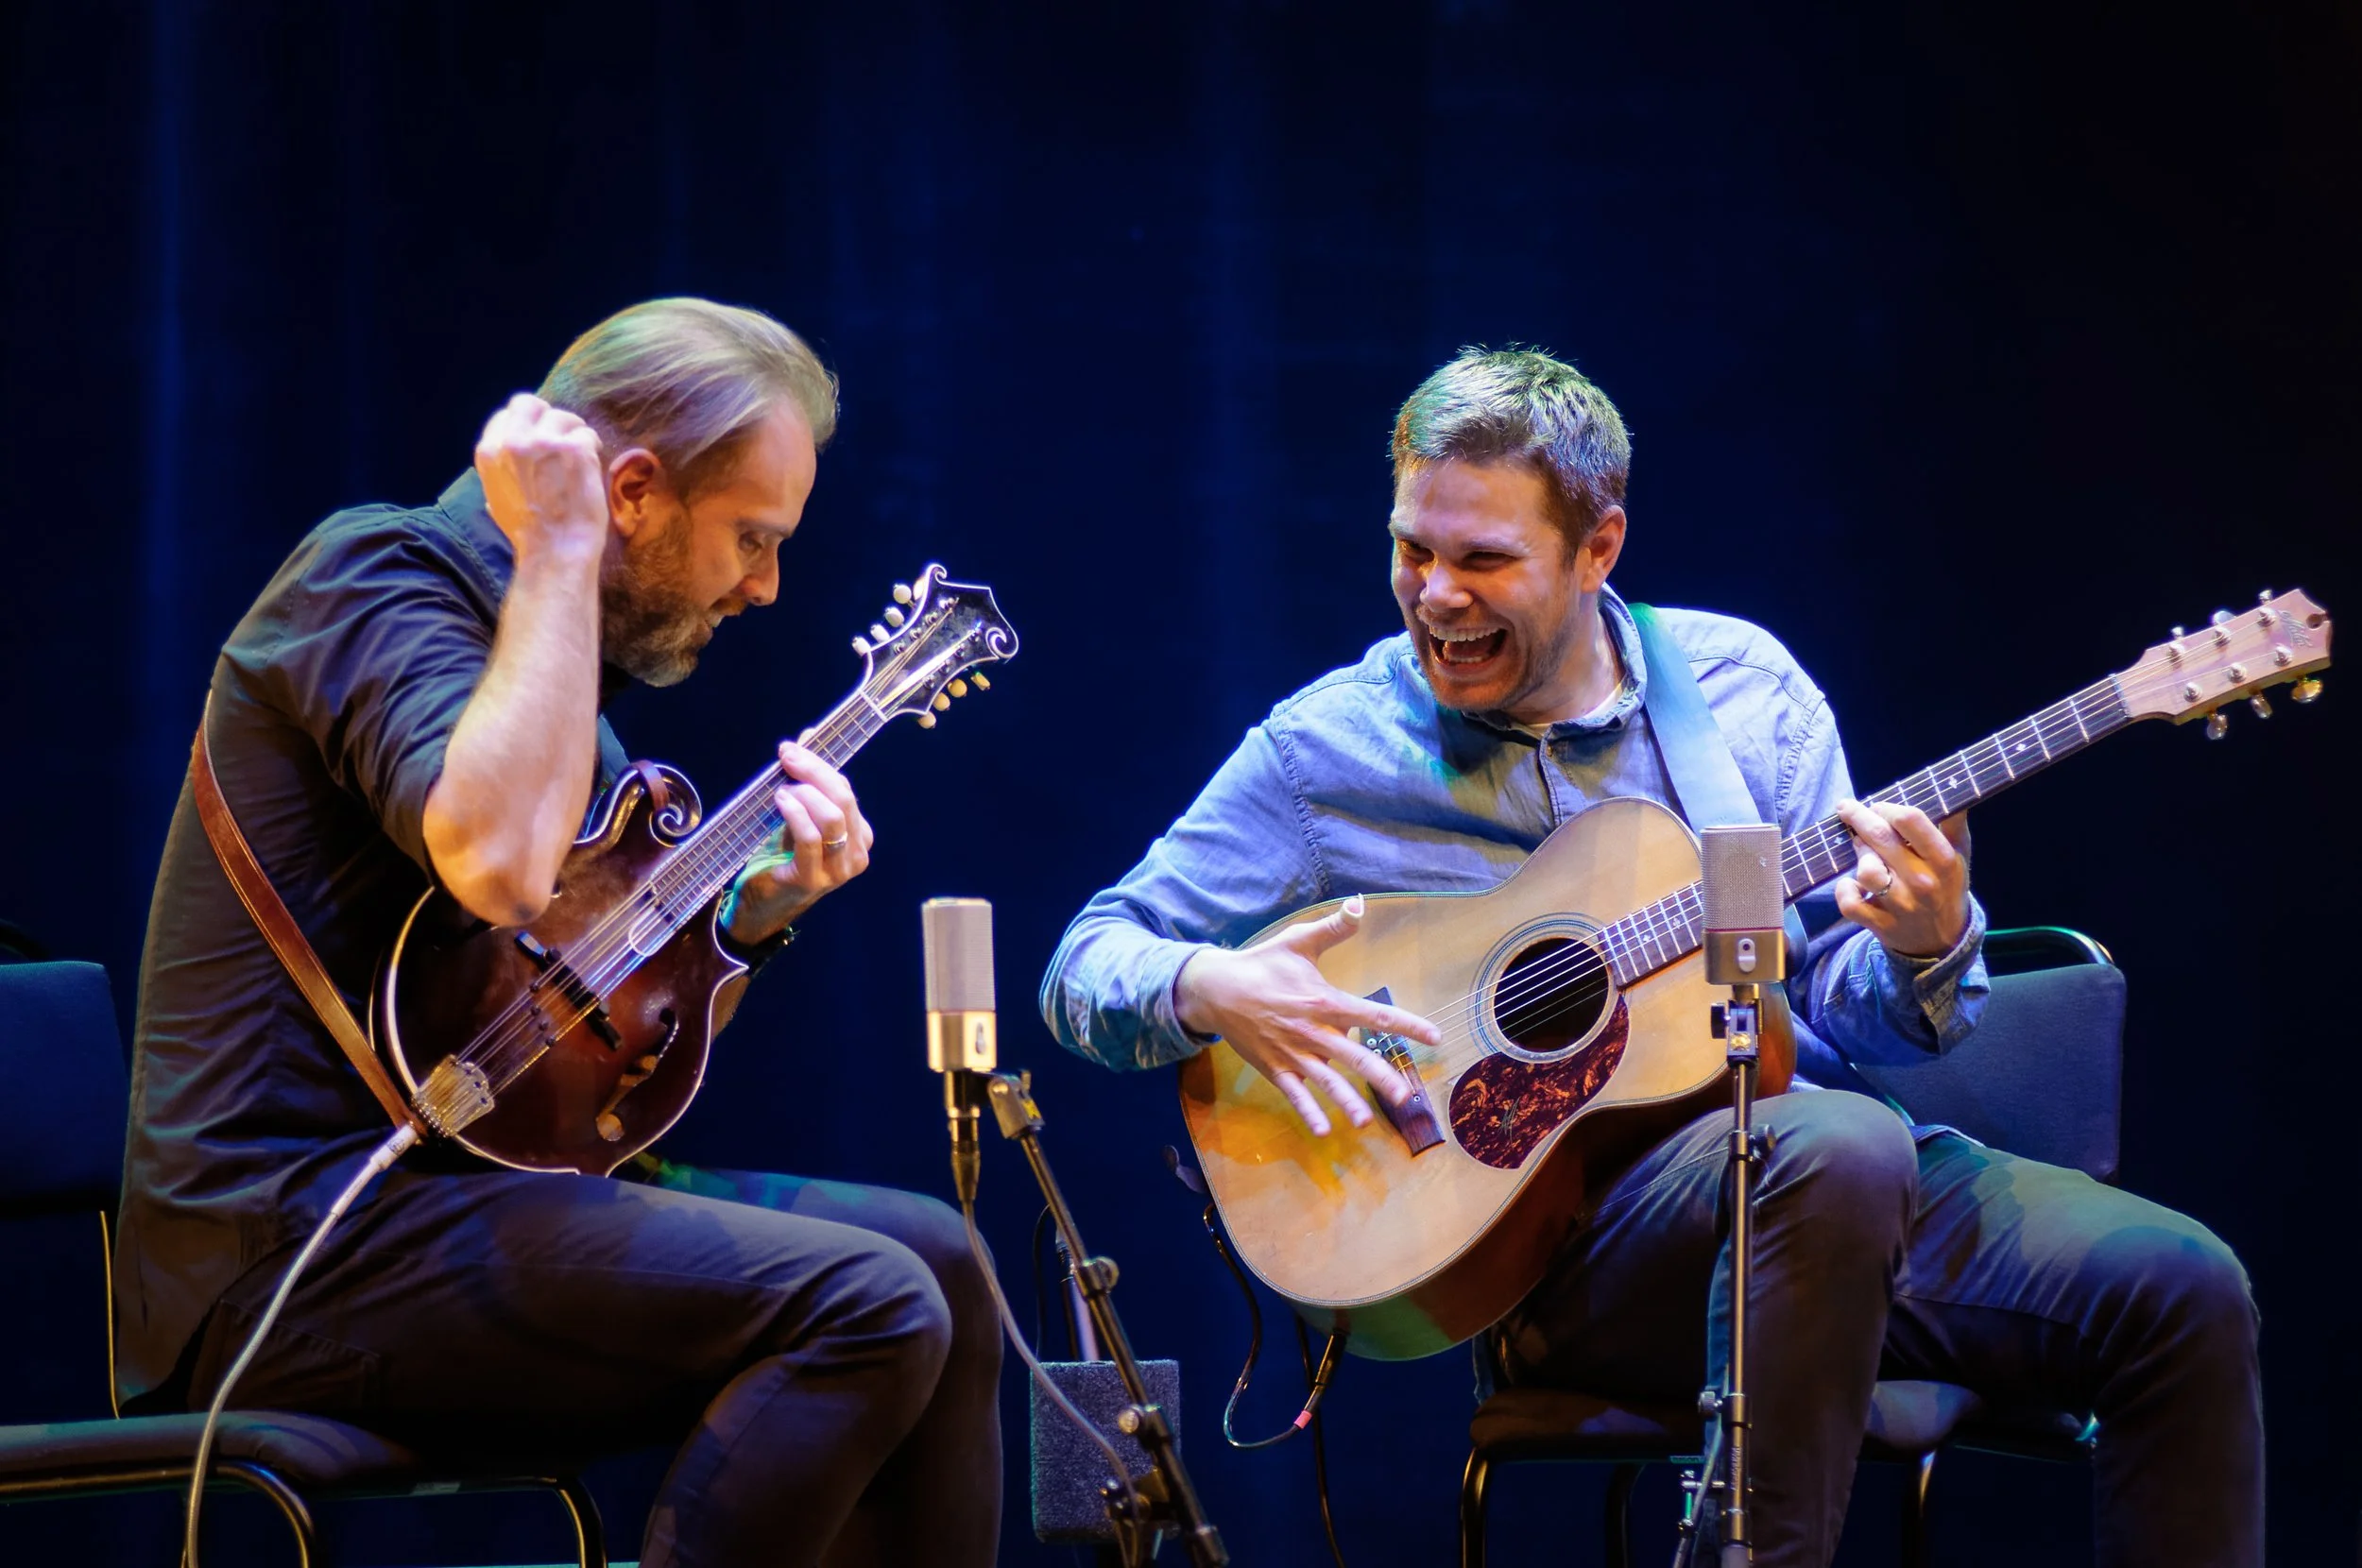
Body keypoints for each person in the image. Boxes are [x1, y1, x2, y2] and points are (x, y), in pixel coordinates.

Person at [1039, 348, 2261, 1567]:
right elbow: (1086, 963)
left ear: (1599, 549)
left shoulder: (1743, 696)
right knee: (1834, 1147)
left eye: (1484, 560)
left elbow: (1847, 1005)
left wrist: (1925, 945)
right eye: (1413, 549)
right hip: (1578, 1250)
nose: (1436, 595)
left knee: (2182, 1287)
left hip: (1833, 1191)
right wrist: (1209, 985)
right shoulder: (1326, 754)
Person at [118, 298, 1001, 1568]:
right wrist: (559, 553)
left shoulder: (558, 686)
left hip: (465, 1199)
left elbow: (587, 1056)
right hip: (288, 1250)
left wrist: (747, 925)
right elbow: (494, 866)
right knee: (868, 1303)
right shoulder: (370, 580)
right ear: (630, 491)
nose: (764, 586)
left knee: (946, 1264)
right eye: (751, 538)